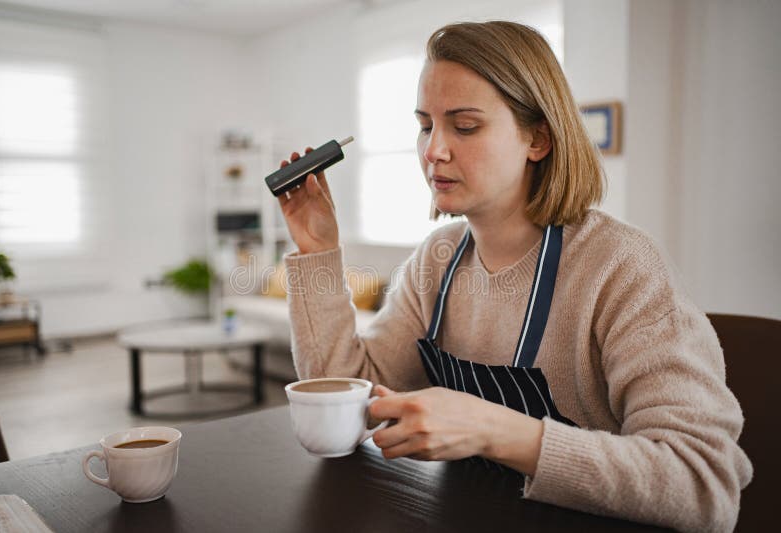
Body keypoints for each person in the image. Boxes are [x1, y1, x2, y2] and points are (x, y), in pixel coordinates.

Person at [276, 21, 752, 532]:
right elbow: (349, 396)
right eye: (425, 124)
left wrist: (497, 431)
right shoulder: (437, 259)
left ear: (538, 139)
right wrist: (319, 251)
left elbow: (703, 484)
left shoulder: (620, 266)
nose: (433, 150)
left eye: (464, 126)